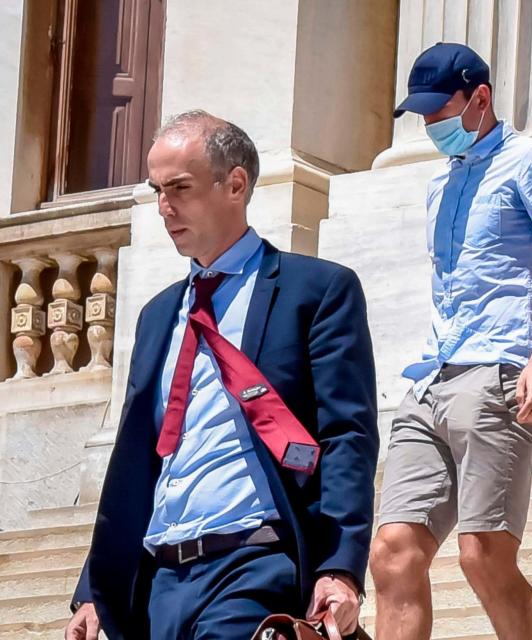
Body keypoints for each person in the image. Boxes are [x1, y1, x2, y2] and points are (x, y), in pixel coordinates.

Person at [64, 110, 379, 640]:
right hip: (159, 578)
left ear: (235, 183)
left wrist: (341, 565)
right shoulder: (157, 315)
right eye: (157, 190)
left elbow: (347, 435)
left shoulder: (317, 291)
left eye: (180, 188)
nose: (165, 208)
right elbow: (139, 456)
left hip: (254, 560)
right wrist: (95, 585)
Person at [368, 43, 532, 640]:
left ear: (481, 99)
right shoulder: (440, 184)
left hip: (499, 372)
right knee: (392, 552)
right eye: (422, 114)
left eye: (440, 111)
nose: (430, 125)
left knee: (483, 554)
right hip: (432, 379)